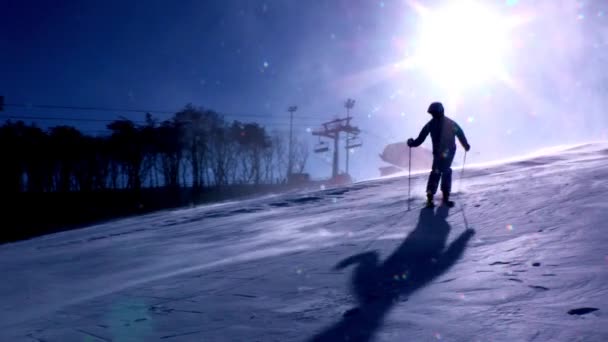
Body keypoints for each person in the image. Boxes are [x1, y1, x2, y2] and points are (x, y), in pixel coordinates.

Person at [407, 102, 470, 208]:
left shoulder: (445, 124)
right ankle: (434, 198)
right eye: (432, 114)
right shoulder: (431, 125)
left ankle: (439, 198)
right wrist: (412, 143)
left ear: (440, 112)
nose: (433, 116)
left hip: (448, 153)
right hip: (439, 153)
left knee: (442, 171)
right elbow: (420, 138)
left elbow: (460, 133)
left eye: (434, 113)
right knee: (440, 172)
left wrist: (465, 145)